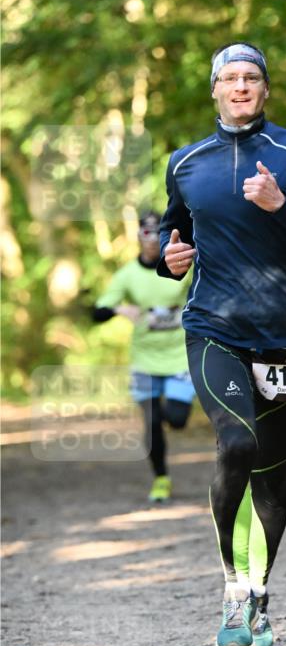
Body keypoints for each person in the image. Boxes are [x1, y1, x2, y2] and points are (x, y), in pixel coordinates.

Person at [157, 41, 286, 646]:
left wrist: (284, 204)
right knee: (236, 443)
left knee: (272, 478)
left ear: (265, 90)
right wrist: (169, 262)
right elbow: (174, 239)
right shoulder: (185, 162)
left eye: (252, 77)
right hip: (213, 327)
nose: (241, 86)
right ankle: (230, 584)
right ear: (214, 90)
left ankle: (260, 595)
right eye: (230, 78)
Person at [93, 211, 195, 502]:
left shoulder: (181, 266)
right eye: (146, 233)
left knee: (176, 419)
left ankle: (165, 412)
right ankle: (161, 479)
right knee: (151, 423)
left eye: (157, 232)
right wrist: (117, 309)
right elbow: (96, 312)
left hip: (178, 357)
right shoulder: (127, 275)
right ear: (138, 236)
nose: (152, 240)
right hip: (145, 360)